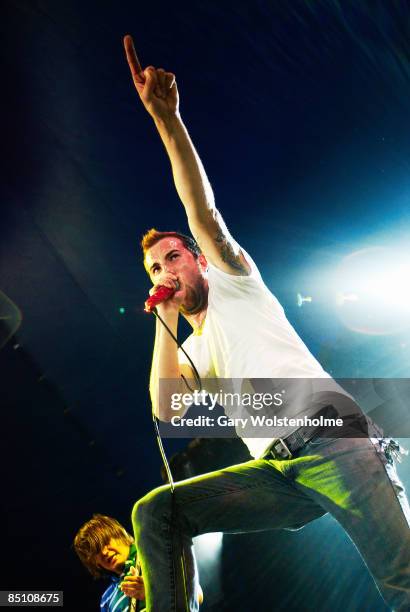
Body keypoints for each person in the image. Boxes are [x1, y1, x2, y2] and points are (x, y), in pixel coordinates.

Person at [123, 34, 410, 611]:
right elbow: (166, 408)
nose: (166, 269)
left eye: (174, 257)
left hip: (335, 443)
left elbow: (201, 211)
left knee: (401, 582)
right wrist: (165, 318)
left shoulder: (234, 282)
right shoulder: (196, 347)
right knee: (158, 511)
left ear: (199, 259)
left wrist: (167, 121)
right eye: (155, 266)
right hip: (278, 471)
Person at [74, 514, 146, 612]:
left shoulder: (150, 553)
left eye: (106, 541)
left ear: (121, 533)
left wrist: (149, 593)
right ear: (95, 563)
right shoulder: (106, 599)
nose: (104, 552)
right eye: (97, 551)